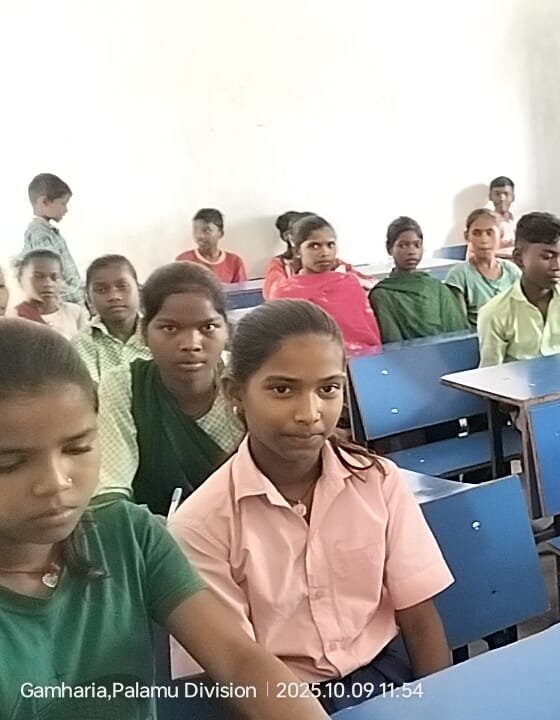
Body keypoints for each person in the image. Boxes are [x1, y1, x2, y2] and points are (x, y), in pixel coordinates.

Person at [0, 319, 327, 720]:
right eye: (9, 463)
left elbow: (239, 660)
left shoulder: (126, 535)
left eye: (78, 448)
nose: (55, 482)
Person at [169, 300, 453, 713]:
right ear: (235, 393)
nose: (309, 414)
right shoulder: (202, 524)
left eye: (328, 389)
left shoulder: (377, 481)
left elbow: (419, 617)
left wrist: (439, 706)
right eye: (282, 389)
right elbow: (234, 669)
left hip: (387, 675)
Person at [93, 263, 244, 513]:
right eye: (170, 328)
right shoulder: (125, 386)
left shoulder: (244, 381)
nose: (191, 344)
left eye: (207, 327)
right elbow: (110, 490)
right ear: (145, 333)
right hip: (153, 531)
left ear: (226, 330)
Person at [478, 213, 560, 367]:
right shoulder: (494, 313)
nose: (557, 267)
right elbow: (491, 374)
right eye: (547, 257)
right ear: (519, 258)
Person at [271, 215, 382, 353]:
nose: (325, 253)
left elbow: (369, 334)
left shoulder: (349, 283)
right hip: (314, 363)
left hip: (366, 359)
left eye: (330, 245)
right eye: (314, 246)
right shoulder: (285, 294)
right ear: (298, 251)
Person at [369, 217, 469, 342]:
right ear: (389, 248)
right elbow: (393, 344)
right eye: (403, 245)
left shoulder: (438, 288)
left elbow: (458, 334)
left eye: (417, 245)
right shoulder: (382, 295)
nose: (411, 251)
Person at [72, 255, 151, 382]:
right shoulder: (82, 343)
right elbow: (89, 389)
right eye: (101, 290)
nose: (114, 296)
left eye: (122, 286)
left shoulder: (156, 332)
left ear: (139, 291)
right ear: (89, 299)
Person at [444, 209, 522, 326]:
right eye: (476, 233)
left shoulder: (512, 271)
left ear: (500, 234)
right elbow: (460, 324)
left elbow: (522, 311)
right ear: (467, 236)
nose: (484, 240)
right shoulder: (459, 276)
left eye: (490, 233)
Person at [22, 172, 82, 304]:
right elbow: (50, 277)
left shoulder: (49, 232)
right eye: (63, 203)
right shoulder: (40, 234)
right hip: (66, 304)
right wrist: (79, 297)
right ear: (44, 202)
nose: (66, 209)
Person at [13, 250, 89, 339]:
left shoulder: (73, 312)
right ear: (20, 280)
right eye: (38, 277)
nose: (48, 283)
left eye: (54, 277)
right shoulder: (13, 317)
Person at [177, 208, 248, 284]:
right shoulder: (184, 261)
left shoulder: (234, 262)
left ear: (221, 233)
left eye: (207, 231)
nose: (200, 236)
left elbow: (242, 290)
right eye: (196, 230)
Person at [489, 176, 518, 248]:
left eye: (506, 194)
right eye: (497, 194)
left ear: (513, 197)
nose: (502, 198)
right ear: (490, 197)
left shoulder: (519, 223)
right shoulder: (485, 223)